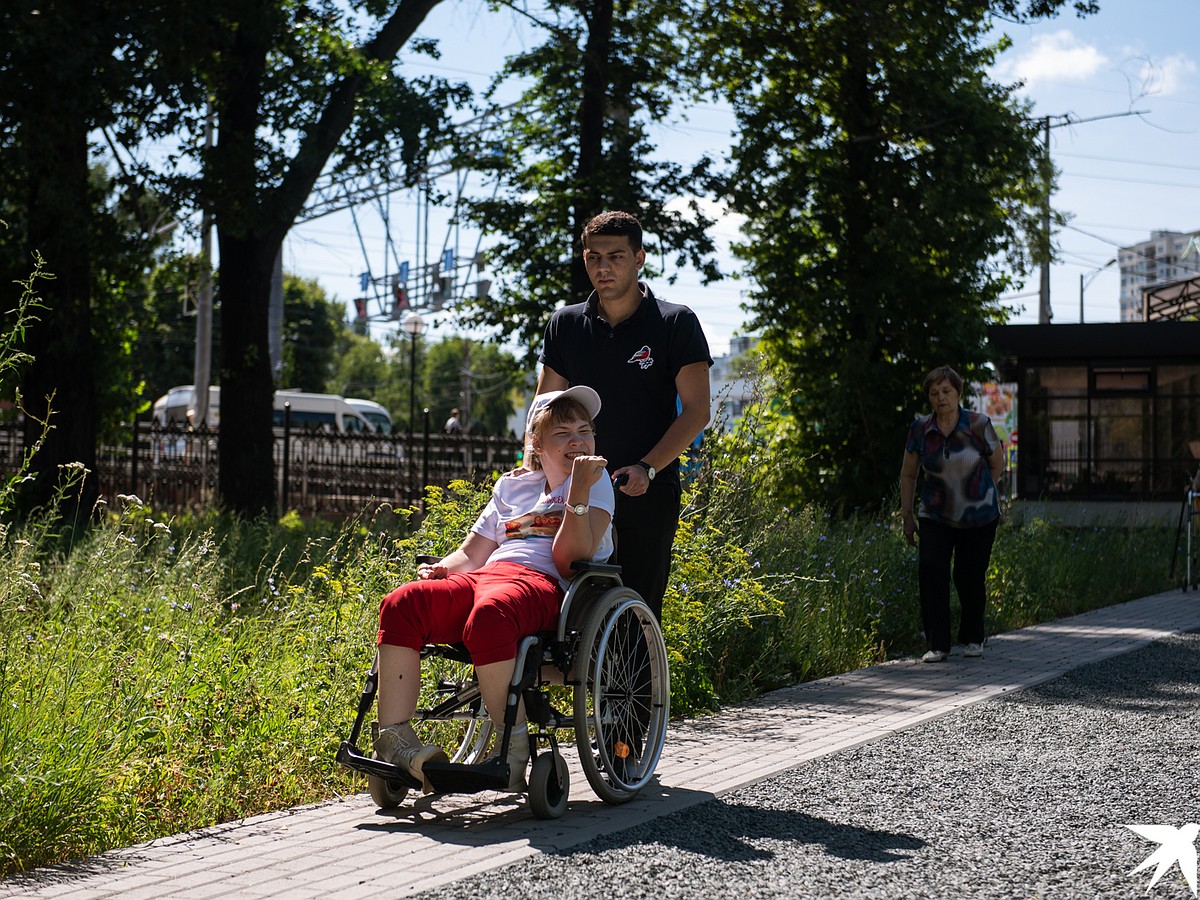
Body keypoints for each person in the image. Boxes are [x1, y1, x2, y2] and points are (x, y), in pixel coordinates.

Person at [373, 387, 615, 791]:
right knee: (402, 603)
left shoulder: (594, 481)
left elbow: (569, 560)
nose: (577, 440)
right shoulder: (511, 487)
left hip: (544, 585)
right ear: (536, 441)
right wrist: (439, 571)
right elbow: (471, 555)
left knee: (490, 615)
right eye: (563, 432)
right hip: (487, 577)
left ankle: (513, 745)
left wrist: (577, 493)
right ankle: (396, 740)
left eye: (584, 430)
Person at [536, 210, 712, 620]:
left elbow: (697, 411)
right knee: (565, 615)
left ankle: (631, 688)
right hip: (574, 492)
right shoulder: (566, 324)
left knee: (636, 613)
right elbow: (544, 410)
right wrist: (533, 471)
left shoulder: (675, 323)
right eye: (594, 257)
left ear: (639, 259)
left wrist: (647, 468)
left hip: (645, 489)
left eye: (615, 256)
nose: (603, 267)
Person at [900, 365, 1006, 663]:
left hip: (979, 516)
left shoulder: (977, 424)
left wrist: (985, 491)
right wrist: (907, 515)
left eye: (946, 391)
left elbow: (997, 462)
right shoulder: (920, 429)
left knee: (968, 575)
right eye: (934, 393)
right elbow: (908, 474)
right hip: (935, 513)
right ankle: (938, 644)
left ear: (958, 393)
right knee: (932, 570)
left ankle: (973, 636)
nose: (940, 397)